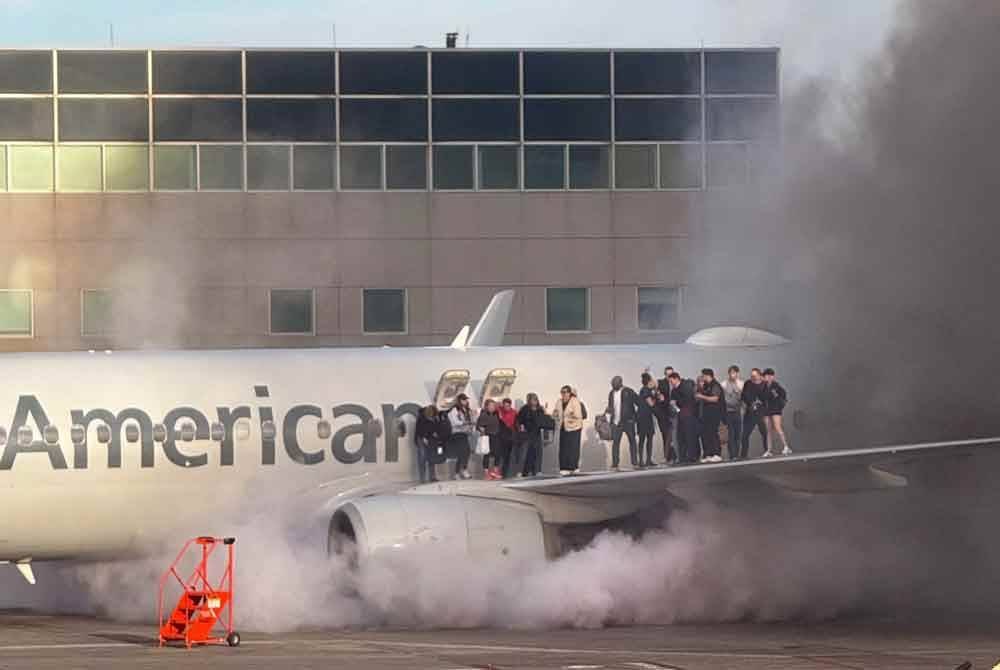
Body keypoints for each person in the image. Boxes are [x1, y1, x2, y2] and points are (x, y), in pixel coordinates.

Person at [604, 376, 640, 470]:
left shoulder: (628, 391)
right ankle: (615, 464)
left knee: (632, 441)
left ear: (620, 383)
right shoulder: (611, 393)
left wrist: (634, 418)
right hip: (616, 422)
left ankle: (635, 463)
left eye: (614, 384)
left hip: (628, 421)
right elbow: (611, 405)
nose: (613, 386)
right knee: (615, 443)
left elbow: (639, 402)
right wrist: (609, 415)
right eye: (612, 384)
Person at [668, 372, 700, 464]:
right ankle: (682, 457)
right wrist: (673, 404)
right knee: (681, 436)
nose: (671, 383)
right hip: (680, 415)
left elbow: (688, 400)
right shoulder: (674, 390)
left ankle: (692, 456)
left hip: (689, 414)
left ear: (676, 379)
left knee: (690, 435)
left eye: (671, 381)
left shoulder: (686, 386)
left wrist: (676, 402)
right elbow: (673, 400)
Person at [551, 385, 584, 475]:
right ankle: (563, 467)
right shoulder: (559, 401)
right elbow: (557, 412)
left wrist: (569, 416)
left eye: (565, 392)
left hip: (575, 427)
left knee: (573, 448)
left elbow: (578, 415)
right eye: (562, 392)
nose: (563, 394)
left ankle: (573, 467)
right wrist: (555, 414)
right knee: (563, 448)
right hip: (563, 427)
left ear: (569, 393)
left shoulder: (575, 401)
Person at [695, 368, 724, 463]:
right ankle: (708, 454)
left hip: (714, 414)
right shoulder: (706, 386)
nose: (703, 378)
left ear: (708, 376)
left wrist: (702, 397)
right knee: (706, 434)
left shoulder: (715, 385)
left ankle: (717, 454)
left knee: (713, 433)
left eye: (703, 376)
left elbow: (715, 399)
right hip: (706, 415)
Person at [516, 393, 548, 477]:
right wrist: (521, 427)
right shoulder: (524, 409)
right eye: (532, 399)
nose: (534, 401)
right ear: (529, 400)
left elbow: (544, 422)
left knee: (538, 453)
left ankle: (538, 471)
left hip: (537, 434)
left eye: (535, 399)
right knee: (523, 453)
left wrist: (545, 413)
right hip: (527, 434)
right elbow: (519, 420)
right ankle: (520, 471)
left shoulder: (540, 409)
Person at [762, 368, 792, 456]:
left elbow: (783, 398)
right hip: (767, 410)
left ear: (772, 376)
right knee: (768, 430)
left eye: (768, 376)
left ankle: (786, 446)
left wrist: (780, 406)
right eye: (765, 376)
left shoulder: (776, 386)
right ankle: (769, 450)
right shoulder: (763, 387)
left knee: (777, 427)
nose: (766, 377)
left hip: (775, 410)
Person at [740, 368, 769, 459]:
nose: (753, 377)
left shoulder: (765, 384)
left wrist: (760, 403)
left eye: (755, 376)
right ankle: (743, 455)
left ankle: (767, 451)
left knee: (765, 433)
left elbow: (767, 398)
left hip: (761, 412)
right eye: (752, 376)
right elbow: (744, 396)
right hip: (750, 413)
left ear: (760, 376)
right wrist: (751, 403)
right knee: (745, 435)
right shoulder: (748, 383)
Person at [447, 393, 475, 479]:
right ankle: (458, 472)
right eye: (464, 400)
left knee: (466, 451)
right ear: (459, 400)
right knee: (463, 451)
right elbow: (454, 422)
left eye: (466, 399)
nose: (466, 401)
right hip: (457, 433)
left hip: (465, 433)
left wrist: (471, 422)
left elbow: (470, 420)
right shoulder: (454, 410)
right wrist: (464, 423)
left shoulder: (466, 410)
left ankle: (463, 470)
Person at [721, 365, 744, 461]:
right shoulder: (724, 384)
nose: (732, 375)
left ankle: (737, 454)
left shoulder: (741, 383)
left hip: (738, 411)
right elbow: (721, 399)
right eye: (731, 373)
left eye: (734, 373)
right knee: (730, 434)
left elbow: (743, 397)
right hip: (728, 412)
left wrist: (738, 391)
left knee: (738, 434)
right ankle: (732, 455)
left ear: (737, 374)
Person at [414, 405, 441, 482]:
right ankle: (422, 478)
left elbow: (434, 429)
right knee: (422, 458)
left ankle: (432, 477)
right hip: (421, 439)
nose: (433, 417)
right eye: (432, 416)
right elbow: (419, 430)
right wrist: (424, 438)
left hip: (430, 440)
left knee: (431, 458)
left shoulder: (434, 418)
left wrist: (435, 434)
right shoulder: (421, 418)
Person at [654, 366, 675, 464]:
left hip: (674, 413)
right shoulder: (661, 383)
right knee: (666, 435)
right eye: (668, 375)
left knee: (674, 436)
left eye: (671, 374)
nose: (669, 376)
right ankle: (667, 457)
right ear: (665, 375)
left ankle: (674, 456)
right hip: (663, 414)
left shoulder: (676, 383)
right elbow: (654, 386)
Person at [476, 399, 502, 479]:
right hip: (488, 436)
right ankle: (486, 473)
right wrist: (481, 430)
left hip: (496, 436)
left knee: (498, 454)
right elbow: (479, 425)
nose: (492, 407)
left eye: (493, 406)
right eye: (490, 406)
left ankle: (495, 470)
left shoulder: (496, 414)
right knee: (487, 454)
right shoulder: (483, 414)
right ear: (486, 406)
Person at [496, 397, 517, 478]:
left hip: (509, 436)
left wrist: (502, 418)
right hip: (500, 436)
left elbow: (510, 423)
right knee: (500, 455)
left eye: (508, 406)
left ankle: (504, 473)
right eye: (505, 406)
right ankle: (498, 472)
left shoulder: (513, 412)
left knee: (507, 456)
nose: (506, 408)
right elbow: (495, 406)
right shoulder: (499, 410)